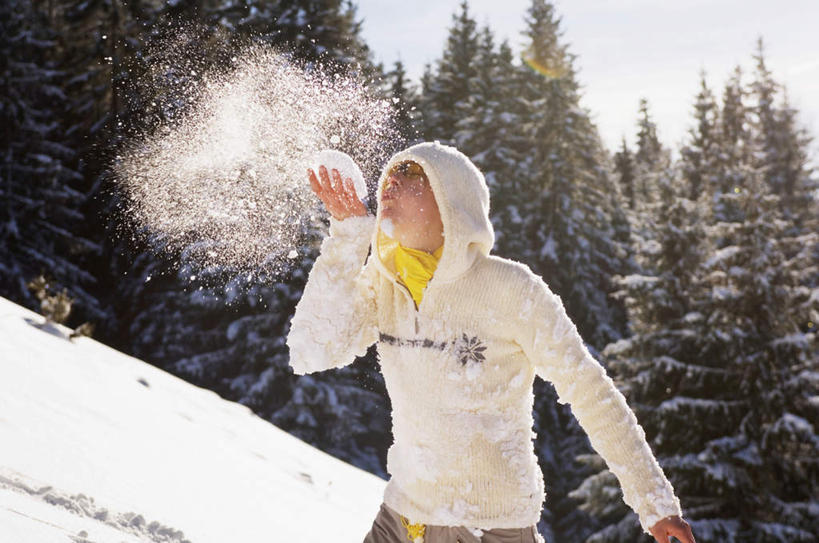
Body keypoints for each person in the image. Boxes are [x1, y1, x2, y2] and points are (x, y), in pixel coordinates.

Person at [288, 141, 696, 543]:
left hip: (488, 526)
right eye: (390, 174)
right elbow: (311, 349)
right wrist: (346, 235)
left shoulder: (511, 288)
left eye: (411, 173)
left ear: (454, 201)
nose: (390, 182)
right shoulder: (385, 283)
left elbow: (589, 390)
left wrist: (654, 502)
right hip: (401, 519)